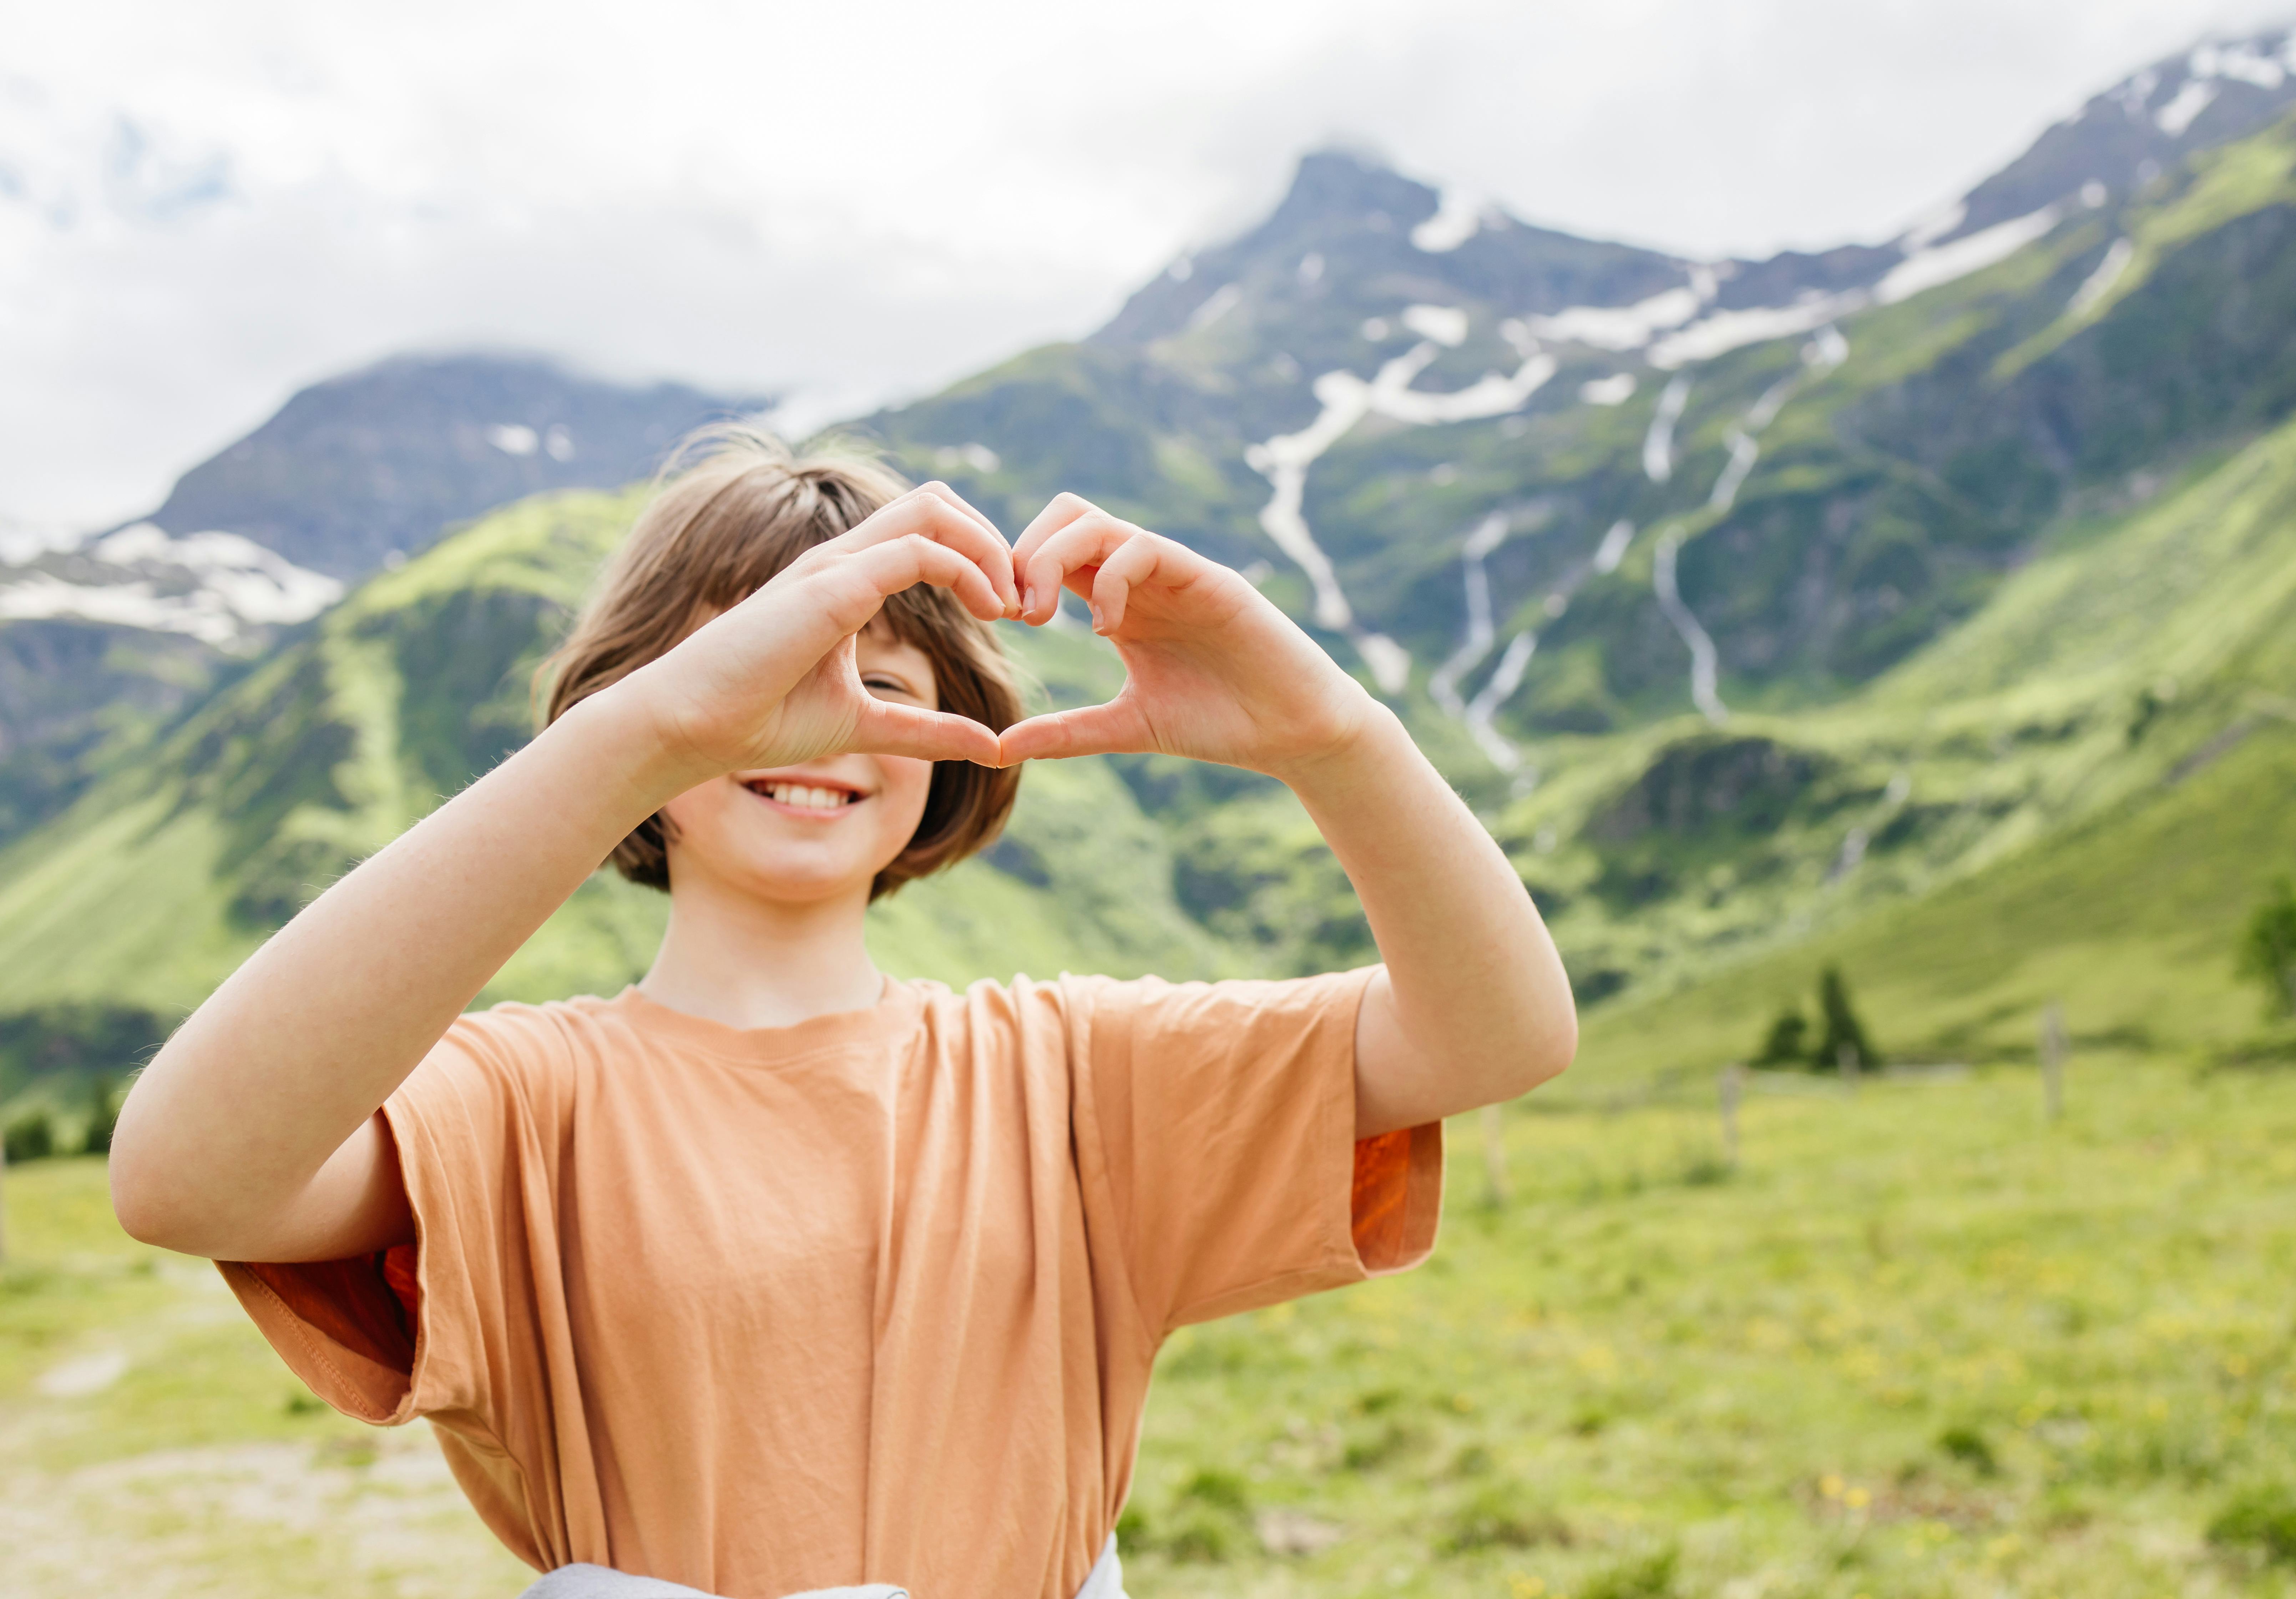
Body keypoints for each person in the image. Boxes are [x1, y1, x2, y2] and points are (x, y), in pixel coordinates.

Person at [108, 429, 1578, 1599]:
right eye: (759, 678)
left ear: (953, 747)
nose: (820, 723)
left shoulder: (1072, 1071)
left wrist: (1334, 735)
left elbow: (1500, 1036)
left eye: (883, 681)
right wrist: (649, 729)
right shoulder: (519, 1100)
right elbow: (185, 1179)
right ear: (646, 716)